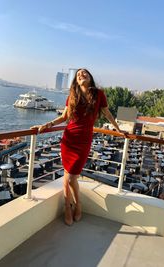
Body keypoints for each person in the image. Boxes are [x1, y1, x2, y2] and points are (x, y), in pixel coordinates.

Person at [32, 68, 126, 226]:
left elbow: (108, 113)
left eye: (85, 73)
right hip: (69, 139)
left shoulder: (98, 94)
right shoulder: (72, 96)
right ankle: (69, 207)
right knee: (69, 177)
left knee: (71, 177)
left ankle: (76, 205)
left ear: (90, 78)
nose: (82, 75)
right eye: (78, 74)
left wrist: (118, 129)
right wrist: (46, 125)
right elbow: (64, 117)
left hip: (83, 141)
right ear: (76, 80)